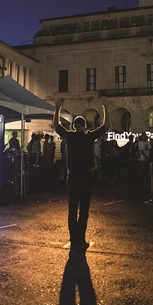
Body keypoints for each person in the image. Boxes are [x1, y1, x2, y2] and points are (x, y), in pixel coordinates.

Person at [53, 100, 107, 251]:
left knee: (72, 209)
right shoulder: (89, 137)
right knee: (84, 210)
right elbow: (105, 127)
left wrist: (57, 109)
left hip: (73, 176)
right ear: (85, 126)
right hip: (86, 177)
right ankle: (80, 239)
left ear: (73, 126)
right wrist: (105, 108)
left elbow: (57, 126)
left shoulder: (70, 137)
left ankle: (73, 239)